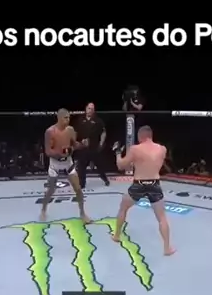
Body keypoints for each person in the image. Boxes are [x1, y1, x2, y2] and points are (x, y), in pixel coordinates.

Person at [111, 125, 175, 256]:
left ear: (140, 136)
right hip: (154, 184)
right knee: (162, 217)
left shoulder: (135, 149)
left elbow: (121, 165)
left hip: (139, 184)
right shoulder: (162, 149)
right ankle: (167, 248)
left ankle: (116, 235)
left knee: (123, 208)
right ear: (151, 136)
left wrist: (117, 153)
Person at [40, 108, 92, 223]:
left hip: (68, 163)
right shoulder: (50, 132)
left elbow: (74, 144)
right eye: (65, 118)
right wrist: (60, 153)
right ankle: (43, 210)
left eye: (69, 118)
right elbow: (48, 151)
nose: (68, 120)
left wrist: (82, 145)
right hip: (55, 164)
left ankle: (82, 214)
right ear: (59, 118)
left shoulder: (70, 130)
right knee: (50, 190)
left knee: (78, 189)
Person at [75, 102, 109, 188]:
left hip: (94, 147)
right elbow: (75, 132)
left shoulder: (98, 120)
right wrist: (76, 142)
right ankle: (82, 184)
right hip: (83, 147)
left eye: (92, 109)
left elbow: (103, 132)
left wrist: (101, 142)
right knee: (81, 166)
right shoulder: (80, 120)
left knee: (99, 165)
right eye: (89, 108)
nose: (90, 110)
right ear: (86, 109)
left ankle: (105, 179)